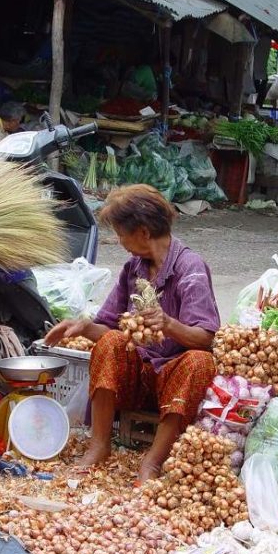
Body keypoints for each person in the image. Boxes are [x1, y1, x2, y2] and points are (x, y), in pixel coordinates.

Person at [44, 185, 220, 482]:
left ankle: (152, 461)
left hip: (172, 382)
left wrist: (168, 324)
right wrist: (85, 327)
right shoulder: (134, 267)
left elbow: (206, 337)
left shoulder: (190, 268)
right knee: (111, 341)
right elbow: (111, 327)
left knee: (200, 362)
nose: (119, 241)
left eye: (121, 233)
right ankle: (99, 446)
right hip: (136, 378)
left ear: (143, 233)